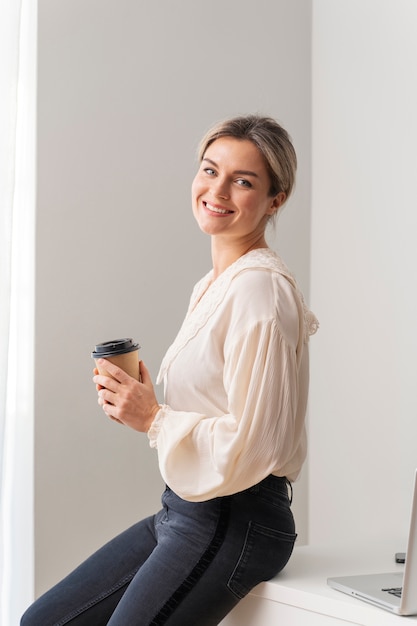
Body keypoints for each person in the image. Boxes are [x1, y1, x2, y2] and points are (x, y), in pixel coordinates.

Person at [21, 114, 318, 625]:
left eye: (243, 181)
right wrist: (143, 404)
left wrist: (156, 420)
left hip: (237, 517)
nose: (217, 189)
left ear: (276, 199)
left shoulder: (259, 290)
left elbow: (257, 442)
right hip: (184, 510)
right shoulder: (213, 285)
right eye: (210, 170)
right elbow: (220, 406)